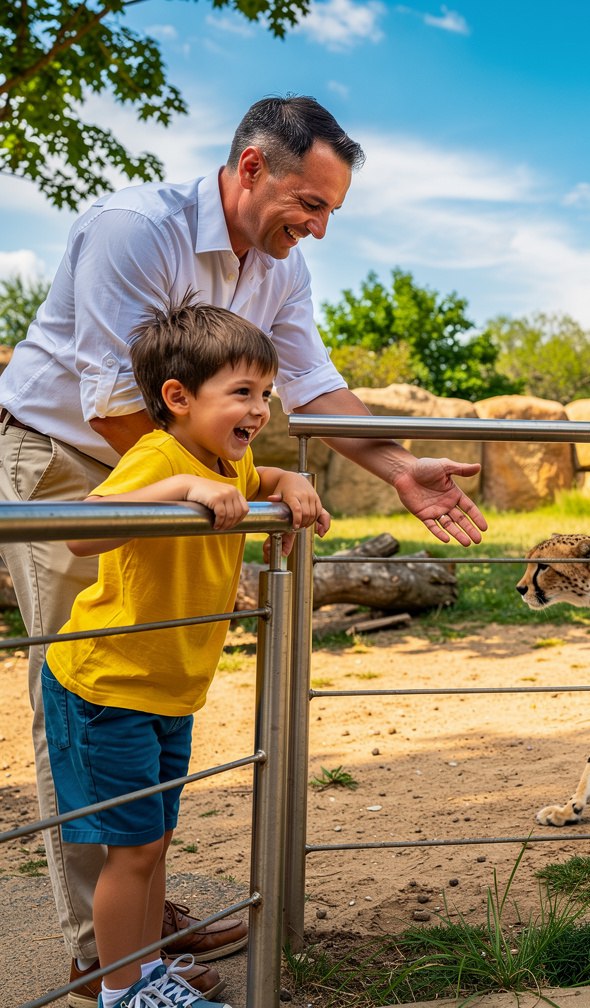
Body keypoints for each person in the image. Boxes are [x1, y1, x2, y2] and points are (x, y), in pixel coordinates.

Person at [0, 94, 487, 1001]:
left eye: (332, 211)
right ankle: (99, 954)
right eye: (311, 204)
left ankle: (135, 913)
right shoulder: (134, 231)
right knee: (76, 684)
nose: (320, 228)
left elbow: (313, 381)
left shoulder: (280, 267)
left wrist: (396, 468)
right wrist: (242, 480)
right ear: (253, 168)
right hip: (71, 456)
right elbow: (123, 404)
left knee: (146, 677)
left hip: (187, 470)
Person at [43, 300, 330, 1008]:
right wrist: (181, 489)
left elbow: (256, 482)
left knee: (155, 843)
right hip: (108, 691)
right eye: (243, 393)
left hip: (168, 692)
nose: (260, 409)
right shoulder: (160, 455)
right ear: (178, 398)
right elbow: (82, 533)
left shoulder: (228, 457)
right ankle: (119, 992)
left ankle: (145, 974)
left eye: (265, 393)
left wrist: (288, 481)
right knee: (132, 851)